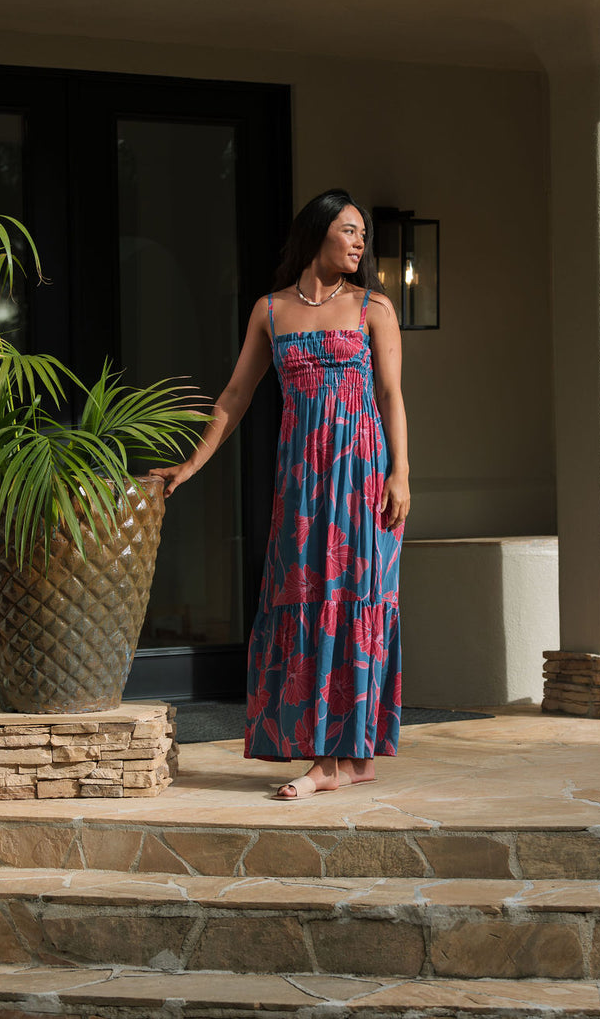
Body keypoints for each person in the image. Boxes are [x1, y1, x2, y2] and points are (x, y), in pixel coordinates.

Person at [151, 188, 409, 800]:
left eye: (363, 235)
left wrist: (402, 473)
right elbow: (234, 397)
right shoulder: (271, 311)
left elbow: (392, 397)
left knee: (357, 599)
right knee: (309, 595)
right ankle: (342, 757)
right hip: (303, 483)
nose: (359, 243)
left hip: (363, 478)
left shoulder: (374, 307)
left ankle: (337, 756)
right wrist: (191, 464)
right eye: (349, 231)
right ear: (319, 232)